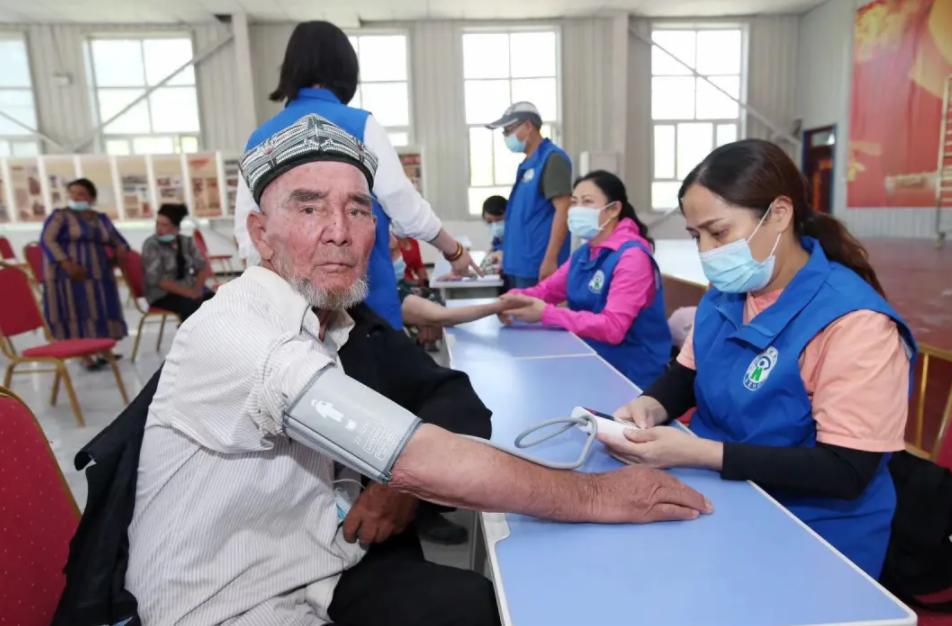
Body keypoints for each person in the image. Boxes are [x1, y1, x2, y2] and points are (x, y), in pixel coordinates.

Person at [125, 113, 711, 626]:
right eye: (309, 207)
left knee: (476, 603)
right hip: (231, 607)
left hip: (308, 569)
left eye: (358, 210)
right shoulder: (243, 332)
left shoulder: (329, 322)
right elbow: (415, 457)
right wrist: (598, 495)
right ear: (261, 234)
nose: (339, 231)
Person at [600, 139, 916, 580]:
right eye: (696, 236)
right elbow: (687, 373)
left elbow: (846, 469)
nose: (707, 252)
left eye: (718, 232)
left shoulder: (854, 323)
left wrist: (701, 452)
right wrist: (650, 404)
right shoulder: (727, 295)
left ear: (780, 214)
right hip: (723, 499)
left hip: (814, 535)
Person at [233, 20, 479, 330]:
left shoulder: (258, 139)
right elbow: (407, 209)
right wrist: (454, 251)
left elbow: (247, 238)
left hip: (287, 319)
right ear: (345, 68)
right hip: (364, 310)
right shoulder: (359, 125)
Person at [499, 170, 672, 390]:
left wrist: (546, 313)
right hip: (591, 356)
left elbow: (613, 327)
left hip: (630, 372)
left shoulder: (632, 257)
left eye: (587, 201)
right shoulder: (584, 253)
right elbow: (547, 291)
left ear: (614, 209)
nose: (577, 209)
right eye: (574, 202)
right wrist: (513, 298)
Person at [39, 177, 129, 370]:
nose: (75, 197)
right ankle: (84, 356)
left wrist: (120, 250)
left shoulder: (100, 219)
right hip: (67, 275)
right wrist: (66, 263)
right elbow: (47, 240)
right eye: (72, 193)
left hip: (98, 273)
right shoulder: (60, 216)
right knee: (75, 310)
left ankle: (103, 348)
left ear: (91, 197)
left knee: (99, 310)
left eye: (81, 194)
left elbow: (117, 239)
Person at [486, 101, 572, 288]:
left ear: (527, 126)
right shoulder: (529, 164)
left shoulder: (552, 159)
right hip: (520, 264)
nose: (506, 136)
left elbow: (563, 210)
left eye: (508, 130)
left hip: (537, 265)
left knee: (535, 307)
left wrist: (551, 259)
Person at [141, 203, 213, 322]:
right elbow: (157, 279)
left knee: (215, 301)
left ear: (176, 227)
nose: (159, 229)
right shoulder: (151, 245)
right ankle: (190, 333)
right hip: (162, 294)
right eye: (157, 224)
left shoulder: (186, 242)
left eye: (164, 225)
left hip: (189, 287)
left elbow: (202, 267)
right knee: (191, 306)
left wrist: (198, 290)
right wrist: (189, 293)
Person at [480, 194, 506, 275]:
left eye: (498, 221)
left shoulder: (516, 239)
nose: (494, 226)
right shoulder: (497, 240)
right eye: (489, 221)